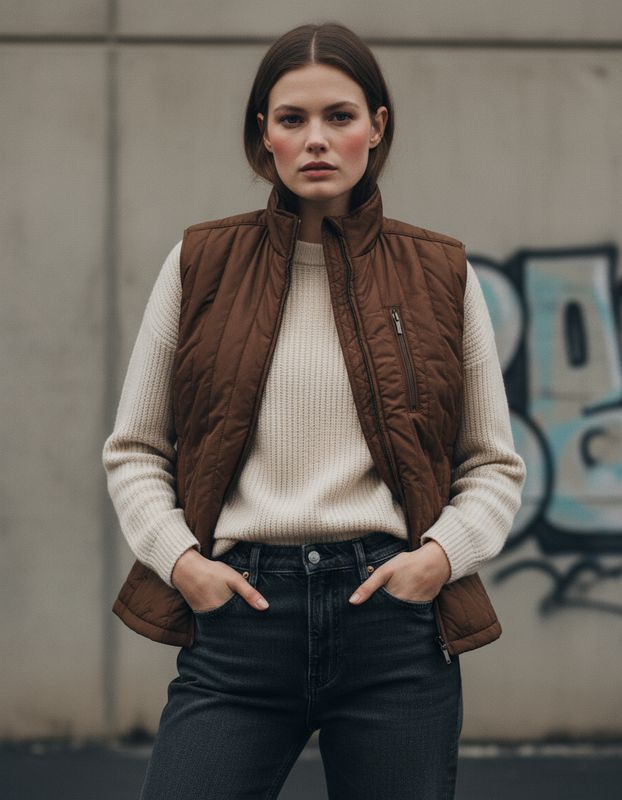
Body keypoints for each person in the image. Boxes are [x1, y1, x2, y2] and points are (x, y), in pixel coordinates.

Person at [102, 21, 526, 800]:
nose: (317, 139)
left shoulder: (438, 272)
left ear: (377, 127)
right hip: (240, 622)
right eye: (292, 119)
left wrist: (438, 559)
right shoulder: (200, 261)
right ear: (264, 134)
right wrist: (183, 564)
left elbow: (492, 462)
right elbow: (134, 449)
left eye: (340, 116)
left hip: (392, 626)